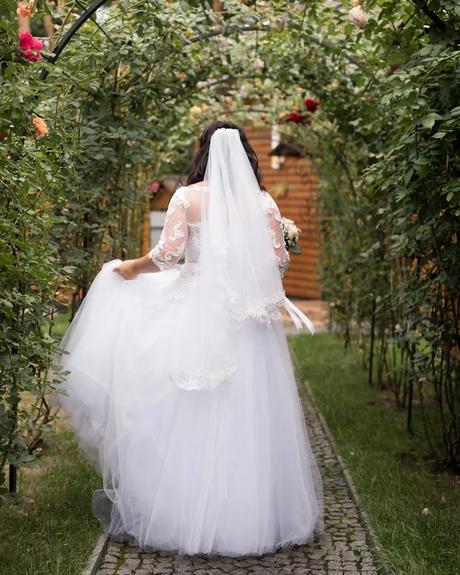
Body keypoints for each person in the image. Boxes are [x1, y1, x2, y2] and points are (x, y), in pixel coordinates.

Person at [57, 120, 324, 557]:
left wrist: (128, 268)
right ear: (246, 156)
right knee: (250, 412)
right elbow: (278, 263)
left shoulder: (188, 197)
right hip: (250, 325)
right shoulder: (263, 203)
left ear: (202, 152)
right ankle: (252, 516)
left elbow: (166, 257)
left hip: (198, 315)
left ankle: (185, 511)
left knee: (190, 409)